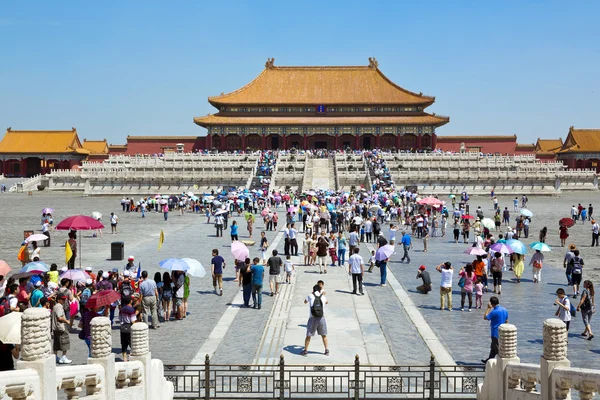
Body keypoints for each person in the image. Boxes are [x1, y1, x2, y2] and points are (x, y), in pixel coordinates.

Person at [301, 284, 329, 356]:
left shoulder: (310, 296)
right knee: (323, 335)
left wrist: (311, 294)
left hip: (312, 317)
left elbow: (305, 301)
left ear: (313, 290)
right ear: (320, 290)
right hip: (321, 317)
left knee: (308, 335)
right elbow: (327, 302)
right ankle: (326, 350)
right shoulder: (323, 296)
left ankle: (306, 351)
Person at [482, 296, 508, 364]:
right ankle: (488, 360)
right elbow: (506, 321)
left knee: (496, 349)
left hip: (495, 333)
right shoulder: (504, 309)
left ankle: (501, 363)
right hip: (502, 332)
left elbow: (485, 317)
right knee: (493, 348)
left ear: (492, 303)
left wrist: (488, 308)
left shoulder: (494, 311)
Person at [52, 293, 72, 364]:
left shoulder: (55, 306)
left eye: (64, 299)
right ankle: (64, 357)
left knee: (56, 343)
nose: (64, 300)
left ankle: (55, 356)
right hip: (61, 327)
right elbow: (60, 317)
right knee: (65, 342)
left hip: (55, 328)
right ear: (58, 299)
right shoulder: (59, 306)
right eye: (62, 299)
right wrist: (67, 321)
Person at [120, 296, 137, 361]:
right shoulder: (131, 309)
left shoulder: (122, 309)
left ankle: (124, 359)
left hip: (123, 327)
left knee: (124, 344)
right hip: (129, 327)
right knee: (132, 343)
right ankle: (132, 355)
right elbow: (133, 320)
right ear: (130, 301)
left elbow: (120, 319)